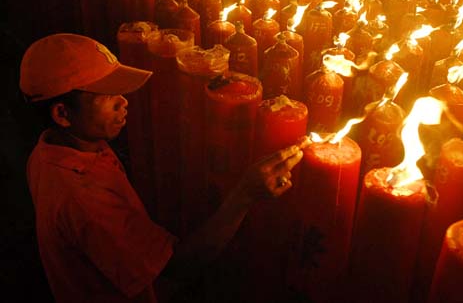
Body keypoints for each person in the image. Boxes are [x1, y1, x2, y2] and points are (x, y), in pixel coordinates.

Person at [19, 33, 304, 302]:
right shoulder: (83, 197)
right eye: (107, 95)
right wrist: (244, 194)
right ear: (62, 114)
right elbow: (178, 267)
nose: (124, 100)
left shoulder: (51, 148)